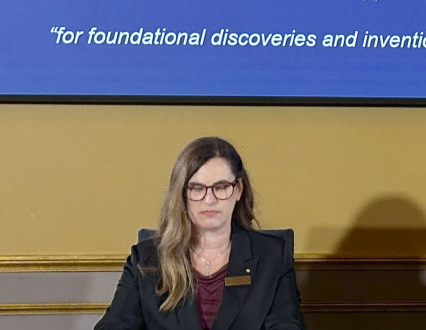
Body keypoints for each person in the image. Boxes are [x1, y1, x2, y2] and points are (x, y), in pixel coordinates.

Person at [95, 137, 305, 329]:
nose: (209, 200)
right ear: (182, 194)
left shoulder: (272, 256)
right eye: (197, 188)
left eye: (221, 187)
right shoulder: (147, 259)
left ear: (239, 189)